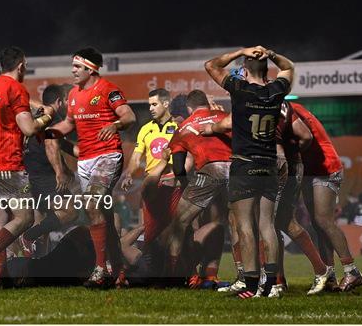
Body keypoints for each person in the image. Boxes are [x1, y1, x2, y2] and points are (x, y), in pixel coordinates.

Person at [205, 46, 294, 298]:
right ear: (267, 70)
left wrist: (241, 51)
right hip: (268, 165)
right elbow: (289, 68)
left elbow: (211, 65)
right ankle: (271, 285)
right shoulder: (276, 90)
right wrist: (273, 54)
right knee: (267, 225)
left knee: (245, 227)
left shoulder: (240, 89)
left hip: (244, 164)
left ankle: (252, 285)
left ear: (244, 70)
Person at [47, 47, 136, 288]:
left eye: (77, 67)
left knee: (93, 204)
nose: (73, 71)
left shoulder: (109, 90)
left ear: (91, 69)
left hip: (107, 156)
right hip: (85, 160)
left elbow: (129, 117)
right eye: (72, 66)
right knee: (101, 215)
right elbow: (68, 124)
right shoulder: (74, 95)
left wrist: (115, 125)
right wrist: (47, 132)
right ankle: (118, 271)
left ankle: (100, 270)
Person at [0, 46, 55, 286]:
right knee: (25, 218)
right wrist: (47, 117)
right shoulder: (16, 89)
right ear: (20, 65)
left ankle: (2, 278)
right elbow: (29, 128)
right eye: (25, 65)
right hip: (8, 164)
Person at [291, 102, 362, 292]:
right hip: (311, 169)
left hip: (325, 168)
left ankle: (352, 270)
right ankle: (329, 274)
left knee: (324, 221)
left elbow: (305, 137)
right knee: (317, 223)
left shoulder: (285, 108)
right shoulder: (288, 107)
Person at [165, 90, 232, 286]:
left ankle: (175, 275)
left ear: (188, 109)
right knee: (237, 224)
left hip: (209, 173)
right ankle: (247, 277)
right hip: (237, 170)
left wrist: (185, 184)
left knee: (180, 223)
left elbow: (179, 168)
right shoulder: (224, 117)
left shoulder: (184, 127)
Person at [274, 101, 332, 295]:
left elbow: (306, 136)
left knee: (275, 221)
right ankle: (278, 280)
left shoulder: (259, 99)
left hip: (278, 165)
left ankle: (320, 270)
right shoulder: (277, 101)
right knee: (278, 221)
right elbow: (305, 136)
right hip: (287, 163)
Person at [21, 84, 77, 256]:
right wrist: (60, 172)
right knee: (70, 211)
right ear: (60, 101)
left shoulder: (39, 115)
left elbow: (60, 145)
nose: (72, 104)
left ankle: (37, 265)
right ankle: (28, 237)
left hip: (31, 172)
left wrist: (66, 168)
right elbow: (50, 144)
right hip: (44, 175)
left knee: (43, 222)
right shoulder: (53, 117)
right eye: (70, 100)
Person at [120, 88, 181, 243]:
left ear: (166, 104)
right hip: (152, 185)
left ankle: (180, 266)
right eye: (149, 105)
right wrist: (129, 174)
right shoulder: (145, 129)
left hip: (173, 183)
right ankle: (153, 265)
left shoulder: (179, 126)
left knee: (176, 231)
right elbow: (136, 156)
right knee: (150, 232)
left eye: (154, 104)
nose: (150, 109)